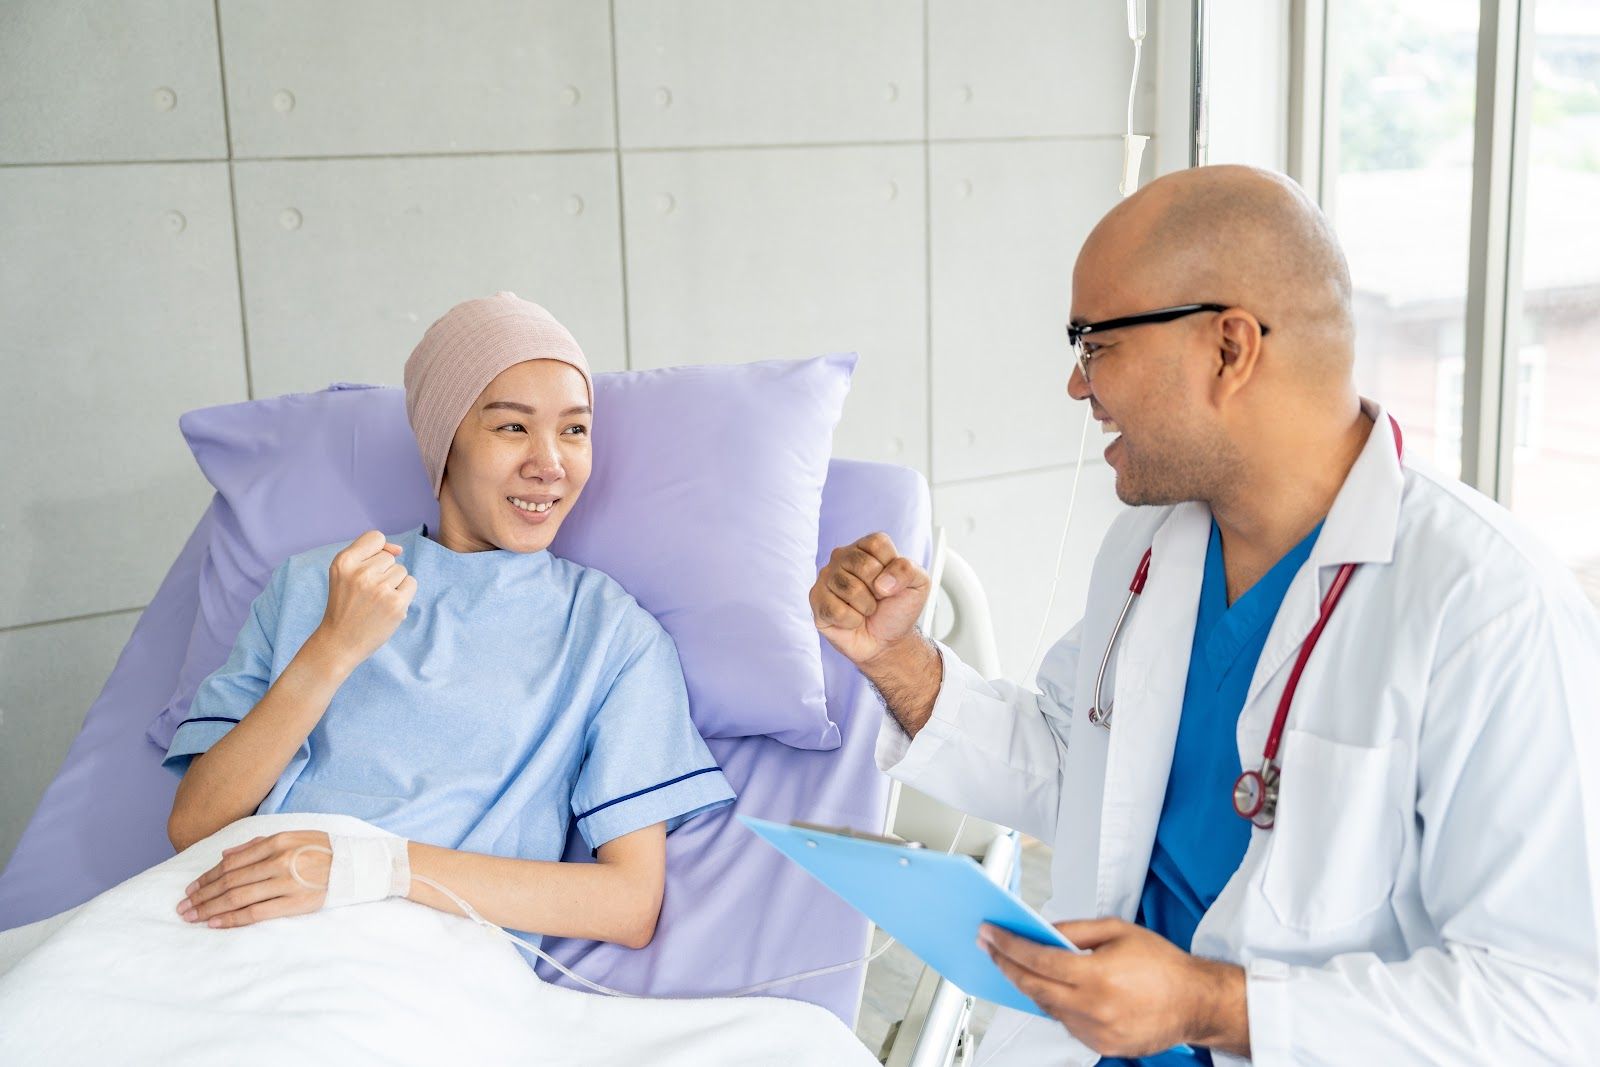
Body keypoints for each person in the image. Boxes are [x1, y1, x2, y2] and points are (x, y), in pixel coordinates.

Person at [810, 165, 1600, 1064]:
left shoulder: (1491, 610)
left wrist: (1213, 1006)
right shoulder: (1150, 551)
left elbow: (1552, 1010)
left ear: (1230, 349)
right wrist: (899, 659)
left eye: (1094, 342)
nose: (1077, 387)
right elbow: (1081, 772)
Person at [165, 292, 734, 951]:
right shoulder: (315, 585)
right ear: (444, 442)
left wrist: (367, 867)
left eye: (574, 429)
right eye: (512, 427)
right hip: (221, 932)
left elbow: (629, 904)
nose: (549, 463)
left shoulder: (610, 635)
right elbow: (194, 825)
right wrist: (332, 650)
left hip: (417, 966)